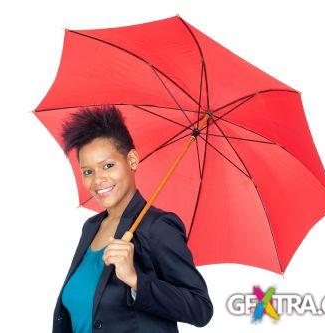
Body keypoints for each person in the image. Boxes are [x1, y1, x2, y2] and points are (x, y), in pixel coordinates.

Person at [52, 105, 214, 333]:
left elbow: (200, 308)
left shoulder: (158, 227)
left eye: (108, 166)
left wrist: (135, 280)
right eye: (88, 171)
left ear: (133, 160)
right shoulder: (91, 227)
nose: (98, 180)